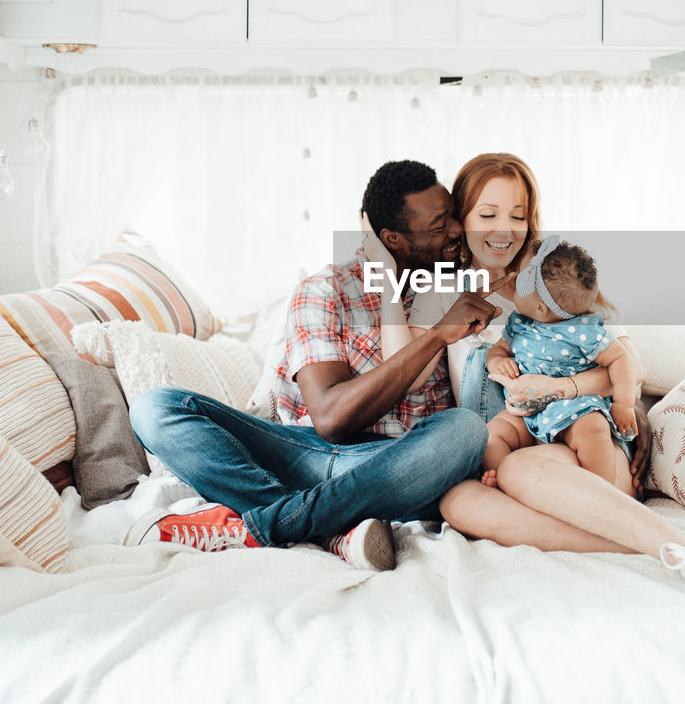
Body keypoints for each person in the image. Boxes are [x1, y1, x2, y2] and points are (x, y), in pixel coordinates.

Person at [393, 153, 685, 613]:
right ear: (460, 220)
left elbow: (627, 367)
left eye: (517, 216)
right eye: (487, 214)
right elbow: (409, 376)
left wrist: (565, 390)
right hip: (506, 448)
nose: (503, 229)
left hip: (578, 437)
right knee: (457, 503)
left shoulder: (555, 278)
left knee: (522, 469)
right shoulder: (438, 293)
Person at [125, 160, 510, 573]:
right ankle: (325, 527)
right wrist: (437, 335)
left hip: (399, 467)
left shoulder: (457, 287)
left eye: (453, 216)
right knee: (155, 408)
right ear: (391, 239)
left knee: (465, 433)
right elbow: (331, 418)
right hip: (306, 456)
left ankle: (280, 521)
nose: (455, 231)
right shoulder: (326, 291)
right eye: (438, 226)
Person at [480, 236, 638, 491]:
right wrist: (497, 361)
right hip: (527, 413)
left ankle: (600, 493)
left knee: (593, 428)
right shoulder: (519, 324)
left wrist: (624, 404)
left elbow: (621, 359)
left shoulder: (583, 331)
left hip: (575, 409)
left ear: (541, 308)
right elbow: (499, 349)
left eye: (520, 282)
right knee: (493, 434)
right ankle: (500, 479)